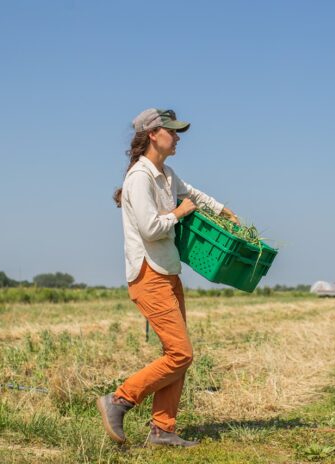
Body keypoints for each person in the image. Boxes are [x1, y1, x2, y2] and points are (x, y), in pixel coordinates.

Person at [97, 108, 238, 448]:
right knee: (180, 354)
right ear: (152, 135)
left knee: (177, 354)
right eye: (172, 132)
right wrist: (179, 212)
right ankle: (118, 400)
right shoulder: (139, 178)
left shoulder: (166, 173)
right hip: (148, 273)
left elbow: (195, 194)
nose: (177, 138)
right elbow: (150, 228)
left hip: (168, 271)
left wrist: (223, 211)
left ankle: (162, 430)